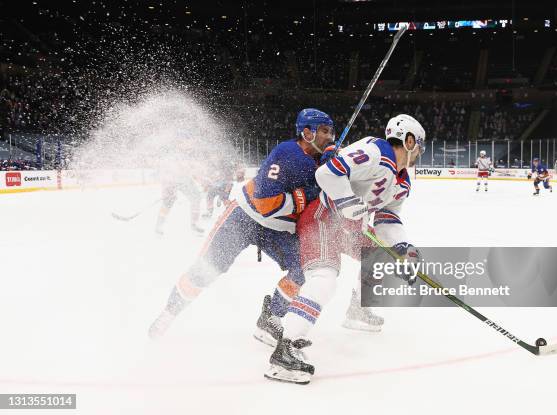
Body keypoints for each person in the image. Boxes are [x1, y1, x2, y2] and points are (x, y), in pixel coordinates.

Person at [264, 114, 425, 385]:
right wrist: (347, 201)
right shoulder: (375, 152)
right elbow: (326, 173)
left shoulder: (402, 180)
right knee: (324, 279)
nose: (420, 152)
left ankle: (358, 310)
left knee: (379, 256)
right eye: (419, 145)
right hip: (323, 218)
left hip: (352, 227)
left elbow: (388, 218)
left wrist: (402, 248)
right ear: (409, 141)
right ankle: (285, 349)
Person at [148, 109, 335, 340]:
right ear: (307, 133)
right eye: (325, 131)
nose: (331, 138)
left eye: (332, 132)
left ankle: (271, 318)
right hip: (244, 219)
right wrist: (311, 188)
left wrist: (332, 170)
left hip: (278, 229)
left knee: (304, 267)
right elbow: (265, 202)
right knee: (206, 271)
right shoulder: (287, 152)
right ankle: (168, 314)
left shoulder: (319, 161)